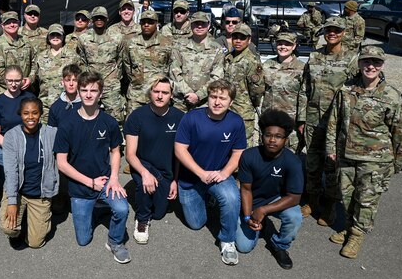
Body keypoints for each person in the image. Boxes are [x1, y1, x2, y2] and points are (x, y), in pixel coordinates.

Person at [325, 46, 402, 259]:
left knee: (366, 199)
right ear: (360, 63)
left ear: (382, 65)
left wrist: (398, 162)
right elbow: (333, 120)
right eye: (366, 62)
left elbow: (401, 132)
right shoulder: (346, 89)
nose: (370, 66)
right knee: (347, 195)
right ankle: (348, 225)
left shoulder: (391, 95)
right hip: (346, 155)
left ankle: (357, 234)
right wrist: (331, 148)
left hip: (375, 160)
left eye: (376, 62)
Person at [54, 71, 131, 264]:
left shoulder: (109, 122)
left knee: (122, 209)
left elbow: (115, 151)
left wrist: (114, 178)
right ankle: (96, 210)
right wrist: (90, 183)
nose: (88, 94)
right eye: (84, 90)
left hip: (105, 181)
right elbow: (61, 163)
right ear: (78, 93)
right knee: (83, 240)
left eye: (93, 90)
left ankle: (115, 242)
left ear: (101, 93)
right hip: (80, 188)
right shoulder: (67, 124)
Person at [175, 79, 246, 266]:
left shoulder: (236, 122)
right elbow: (180, 150)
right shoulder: (191, 118)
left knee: (231, 198)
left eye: (223, 98)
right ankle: (207, 197)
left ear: (231, 102)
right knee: (197, 224)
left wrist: (225, 173)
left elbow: (238, 153)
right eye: (213, 96)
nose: (217, 102)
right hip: (191, 177)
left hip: (217, 175)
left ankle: (227, 240)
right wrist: (200, 173)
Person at [298, 17, 358, 226]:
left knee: (332, 165)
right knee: (312, 163)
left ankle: (330, 206)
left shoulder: (352, 59)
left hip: (337, 122)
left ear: (343, 33)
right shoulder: (314, 57)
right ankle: (313, 201)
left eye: (336, 30)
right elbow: (305, 89)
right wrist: (301, 117)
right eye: (329, 30)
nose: (332, 33)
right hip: (314, 119)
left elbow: (358, 90)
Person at [235, 109, 304, 269]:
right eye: (268, 135)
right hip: (252, 199)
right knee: (244, 247)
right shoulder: (249, 156)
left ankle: (279, 245)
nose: (272, 140)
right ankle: (260, 224)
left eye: (278, 136)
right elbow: (245, 189)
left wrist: (264, 210)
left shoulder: (293, 162)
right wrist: (248, 217)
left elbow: (294, 197)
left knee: (295, 216)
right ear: (262, 136)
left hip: (275, 200)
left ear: (286, 139)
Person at [124, 76, 184, 244]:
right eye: (156, 91)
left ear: (171, 95)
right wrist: (145, 173)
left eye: (164, 92)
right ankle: (142, 220)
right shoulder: (136, 116)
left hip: (165, 171)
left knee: (158, 214)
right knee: (146, 186)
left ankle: (158, 188)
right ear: (150, 92)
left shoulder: (179, 118)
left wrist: (175, 181)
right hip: (141, 165)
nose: (159, 96)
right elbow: (130, 154)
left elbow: (180, 155)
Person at [0, 97, 59, 249]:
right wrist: (12, 201)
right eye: (26, 113)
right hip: (18, 192)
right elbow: (11, 171)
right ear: (20, 114)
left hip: (40, 195)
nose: (30, 117)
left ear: (40, 114)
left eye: (34, 113)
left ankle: (31, 219)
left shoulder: (51, 134)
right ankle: (21, 218)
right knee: (9, 228)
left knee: (35, 243)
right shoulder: (12, 136)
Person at [0, 66, 36, 199]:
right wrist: (12, 147)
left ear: (22, 80)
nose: (13, 84)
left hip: (29, 146)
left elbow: (36, 124)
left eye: (17, 80)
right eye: (10, 81)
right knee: (9, 187)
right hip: (5, 148)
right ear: (4, 80)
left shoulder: (30, 99)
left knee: (27, 183)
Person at [76, 6, 126, 123]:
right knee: (87, 115)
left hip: (111, 84)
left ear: (107, 19)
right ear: (92, 20)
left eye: (102, 18)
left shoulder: (117, 38)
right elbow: (81, 60)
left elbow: (121, 60)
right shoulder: (84, 38)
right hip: (90, 84)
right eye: (96, 18)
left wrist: (115, 77)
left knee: (115, 118)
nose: (99, 20)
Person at [169, 11, 224, 111]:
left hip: (205, 103)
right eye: (196, 23)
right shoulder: (179, 46)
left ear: (209, 25)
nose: (199, 26)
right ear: (191, 25)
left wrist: (199, 95)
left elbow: (217, 77)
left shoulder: (217, 49)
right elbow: (174, 72)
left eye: (203, 23)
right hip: (181, 102)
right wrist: (187, 93)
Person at [122, 10, 172, 117]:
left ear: (157, 24)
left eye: (150, 22)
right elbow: (127, 65)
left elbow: (170, 66)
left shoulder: (166, 43)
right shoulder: (131, 42)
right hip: (136, 94)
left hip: (158, 95)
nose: (146, 25)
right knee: (132, 124)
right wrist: (136, 79)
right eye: (143, 22)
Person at [261, 31, 306, 152]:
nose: (283, 47)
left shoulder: (302, 68)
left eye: (287, 44)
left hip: (290, 121)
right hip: (269, 119)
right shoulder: (267, 65)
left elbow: (304, 95)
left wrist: (302, 121)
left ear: (294, 46)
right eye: (280, 43)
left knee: (288, 156)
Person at [223, 23, 265, 144]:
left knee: (243, 144)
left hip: (243, 111)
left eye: (242, 38)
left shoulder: (251, 61)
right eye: (235, 37)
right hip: (227, 109)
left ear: (249, 40)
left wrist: (249, 104)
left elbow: (257, 90)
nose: (238, 41)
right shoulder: (228, 58)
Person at [0, 11, 37, 99]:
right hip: (6, 92)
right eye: (8, 23)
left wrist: (30, 78)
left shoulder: (26, 42)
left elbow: (34, 63)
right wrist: (16, 83)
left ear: (18, 23)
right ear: (2, 26)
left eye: (14, 22)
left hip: (26, 91)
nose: (12, 25)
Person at [35, 23, 79, 122]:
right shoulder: (40, 57)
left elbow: (80, 79)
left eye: (58, 35)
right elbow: (34, 79)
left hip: (67, 104)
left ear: (63, 37)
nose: (55, 37)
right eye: (52, 35)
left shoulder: (72, 56)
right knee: (47, 135)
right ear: (48, 37)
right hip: (45, 106)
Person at [47, 64, 82, 128]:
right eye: (68, 80)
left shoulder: (86, 105)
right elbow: (51, 134)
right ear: (63, 82)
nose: (71, 84)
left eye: (74, 80)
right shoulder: (55, 107)